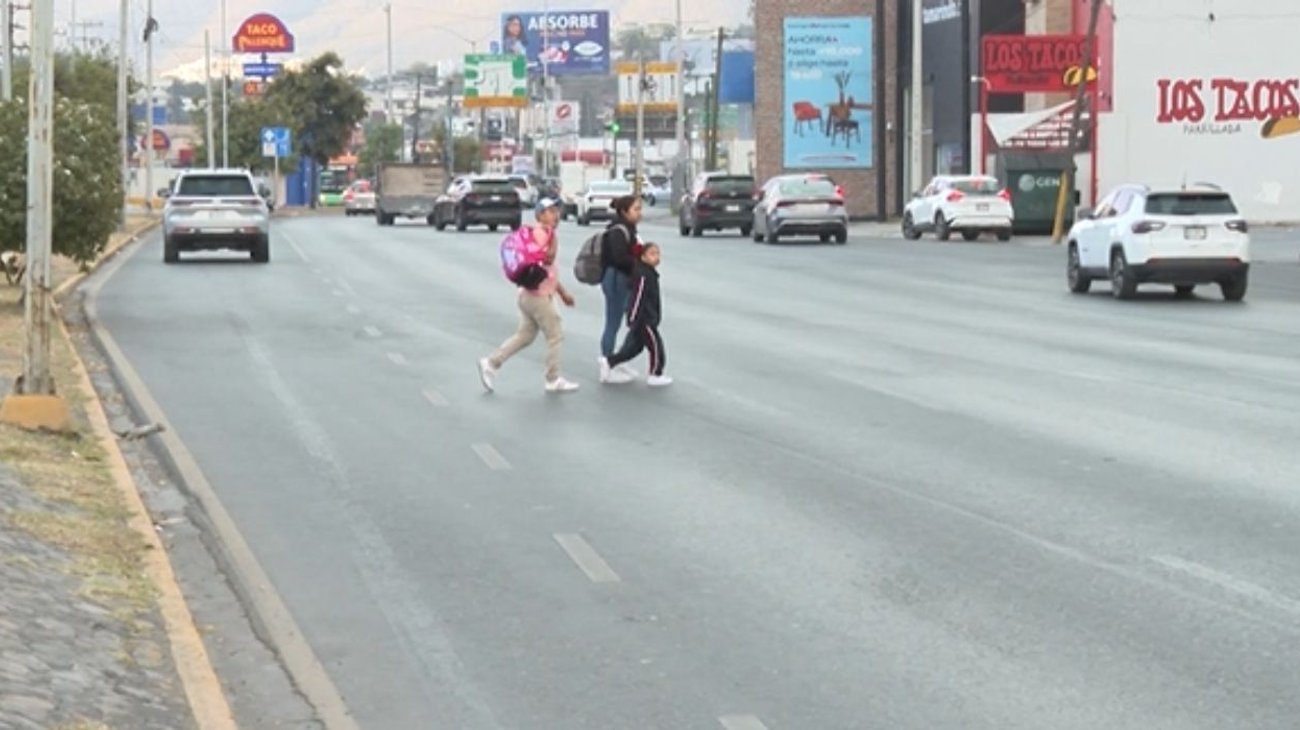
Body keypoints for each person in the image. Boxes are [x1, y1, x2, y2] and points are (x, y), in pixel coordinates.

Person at [479, 198, 579, 394]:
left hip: (528, 294)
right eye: (550, 211)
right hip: (537, 296)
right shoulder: (543, 233)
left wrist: (562, 292)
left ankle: (491, 363)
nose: (555, 215)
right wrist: (553, 239)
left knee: (525, 336)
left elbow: (545, 269)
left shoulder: (538, 233)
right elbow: (547, 259)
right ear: (540, 215)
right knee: (555, 335)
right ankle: (553, 379)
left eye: (556, 211)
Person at [602, 243, 671, 387]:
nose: (656, 257)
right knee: (656, 346)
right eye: (652, 254)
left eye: (658, 254)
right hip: (644, 319)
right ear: (643, 256)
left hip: (646, 317)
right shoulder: (643, 275)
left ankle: (610, 362)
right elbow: (638, 297)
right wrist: (633, 317)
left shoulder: (649, 273)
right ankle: (655, 374)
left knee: (634, 348)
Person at [599, 195, 643, 384]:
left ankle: (618, 359)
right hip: (617, 278)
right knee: (614, 321)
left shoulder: (628, 228)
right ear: (624, 212)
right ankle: (607, 362)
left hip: (624, 278)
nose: (640, 213)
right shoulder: (618, 230)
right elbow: (619, 258)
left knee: (635, 320)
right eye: (636, 209)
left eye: (640, 209)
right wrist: (638, 262)